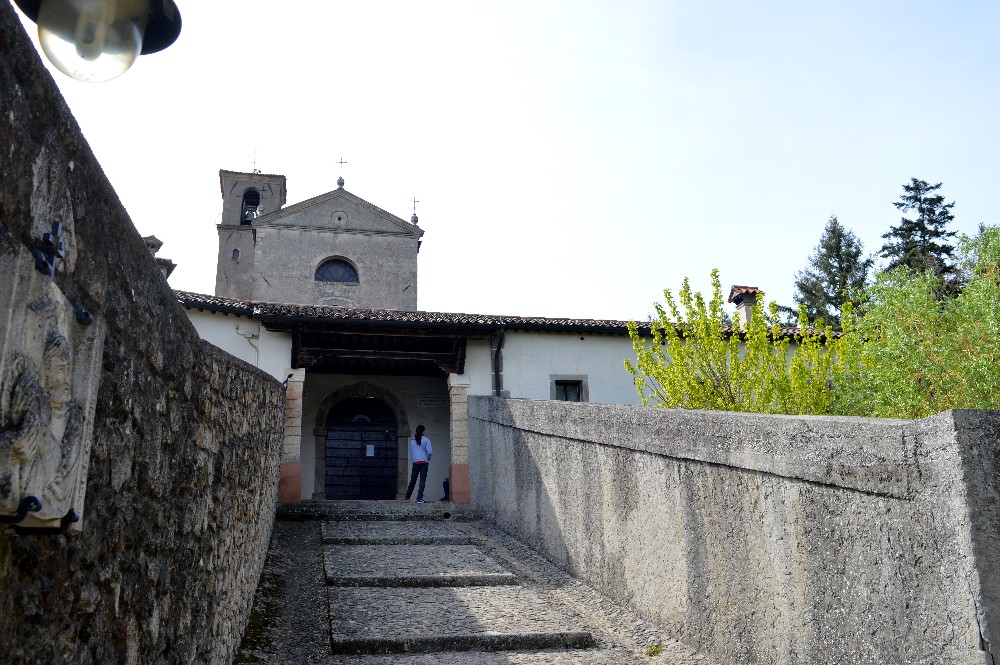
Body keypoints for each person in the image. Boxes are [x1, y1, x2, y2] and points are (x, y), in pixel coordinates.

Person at [403, 425, 432, 503]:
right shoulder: (426, 440)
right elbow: (429, 452)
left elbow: (412, 452)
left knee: (413, 480)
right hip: (424, 462)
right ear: (423, 431)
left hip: (415, 462)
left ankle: (407, 497)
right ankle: (419, 498)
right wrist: (427, 458)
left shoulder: (412, 441)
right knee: (422, 480)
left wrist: (414, 460)